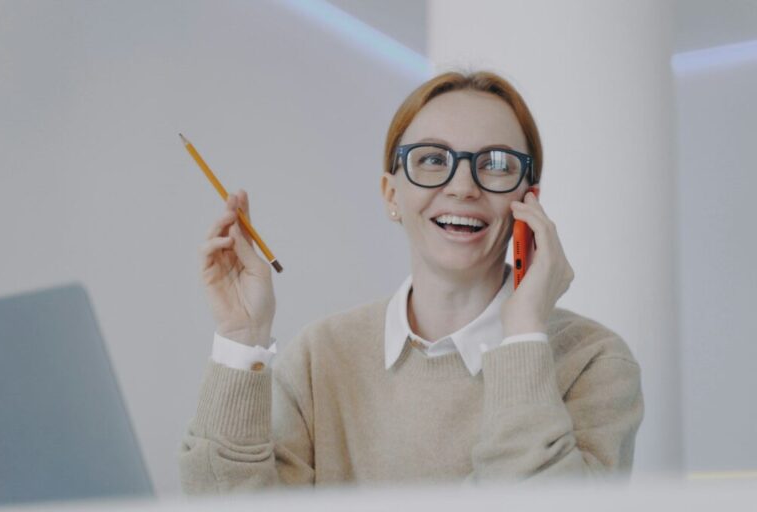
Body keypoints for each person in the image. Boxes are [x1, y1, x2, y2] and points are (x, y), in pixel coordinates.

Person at [179, 70, 644, 492]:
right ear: (391, 194)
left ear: (529, 201)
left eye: (497, 164)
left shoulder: (594, 361)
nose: (463, 186)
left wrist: (523, 334)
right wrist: (241, 341)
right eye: (432, 160)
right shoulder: (320, 356)